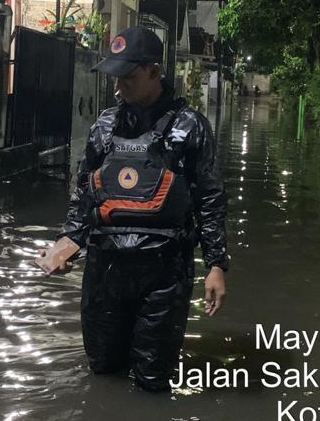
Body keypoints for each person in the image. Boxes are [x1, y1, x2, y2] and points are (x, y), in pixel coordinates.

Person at [34, 26, 229, 392]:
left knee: (153, 380)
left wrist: (216, 264)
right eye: (115, 78)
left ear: (154, 72)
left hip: (164, 273)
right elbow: (84, 194)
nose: (118, 87)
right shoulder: (104, 126)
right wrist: (65, 246)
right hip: (104, 271)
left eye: (128, 77)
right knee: (103, 372)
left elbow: (210, 198)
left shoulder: (190, 128)